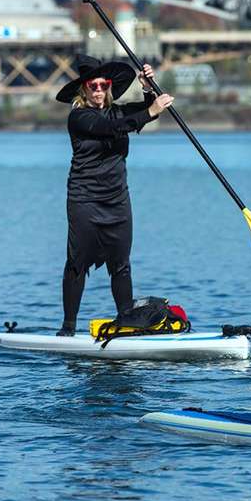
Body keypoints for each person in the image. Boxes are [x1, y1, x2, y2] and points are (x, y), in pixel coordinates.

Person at [55, 55, 173, 336]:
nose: (98, 90)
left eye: (102, 84)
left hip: (117, 200)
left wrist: (146, 88)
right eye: (92, 85)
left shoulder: (117, 112)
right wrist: (151, 111)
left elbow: (137, 114)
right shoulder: (79, 117)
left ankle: (127, 322)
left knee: (121, 265)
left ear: (108, 86)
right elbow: (112, 128)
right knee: (77, 264)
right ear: (84, 89)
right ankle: (68, 328)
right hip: (84, 200)